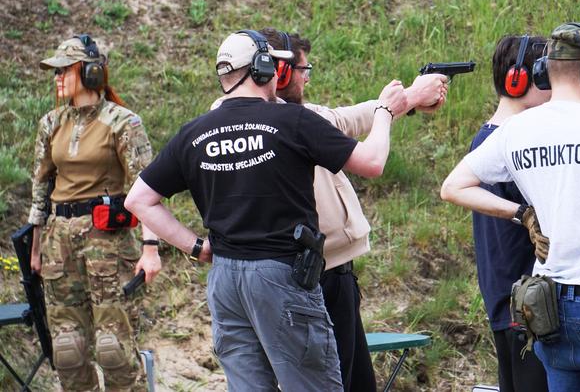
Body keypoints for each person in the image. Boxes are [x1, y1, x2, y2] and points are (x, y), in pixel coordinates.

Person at [124, 29, 408, 391]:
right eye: (274, 66)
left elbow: (139, 199)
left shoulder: (194, 133)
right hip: (282, 277)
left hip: (225, 282)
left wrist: (195, 247)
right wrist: (384, 112)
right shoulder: (292, 120)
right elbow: (372, 162)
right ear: (261, 69)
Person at [441, 23, 580, 391]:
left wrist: (522, 214)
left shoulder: (515, 131)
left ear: (545, 72)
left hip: (549, 309)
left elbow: (453, 187)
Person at [229, 27, 444, 392]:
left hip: (301, 273)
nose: (307, 78)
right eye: (302, 71)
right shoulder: (291, 124)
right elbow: (370, 156)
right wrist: (401, 102)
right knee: (333, 380)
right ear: (277, 73)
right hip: (316, 274)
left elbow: (350, 117)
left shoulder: (255, 121)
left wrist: (405, 98)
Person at [29, 34, 161, 391]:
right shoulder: (51, 123)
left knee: (113, 348)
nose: (57, 78)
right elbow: (41, 185)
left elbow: (146, 188)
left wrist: (151, 249)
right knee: (68, 350)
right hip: (59, 244)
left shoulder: (123, 122)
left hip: (108, 244)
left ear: (89, 73)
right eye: (55, 72)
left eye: (64, 71)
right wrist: (36, 244)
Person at [468, 34, 549, 392]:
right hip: (527, 303)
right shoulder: (508, 142)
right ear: (518, 79)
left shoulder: (489, 137)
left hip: (512, 298)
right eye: (547, 75)